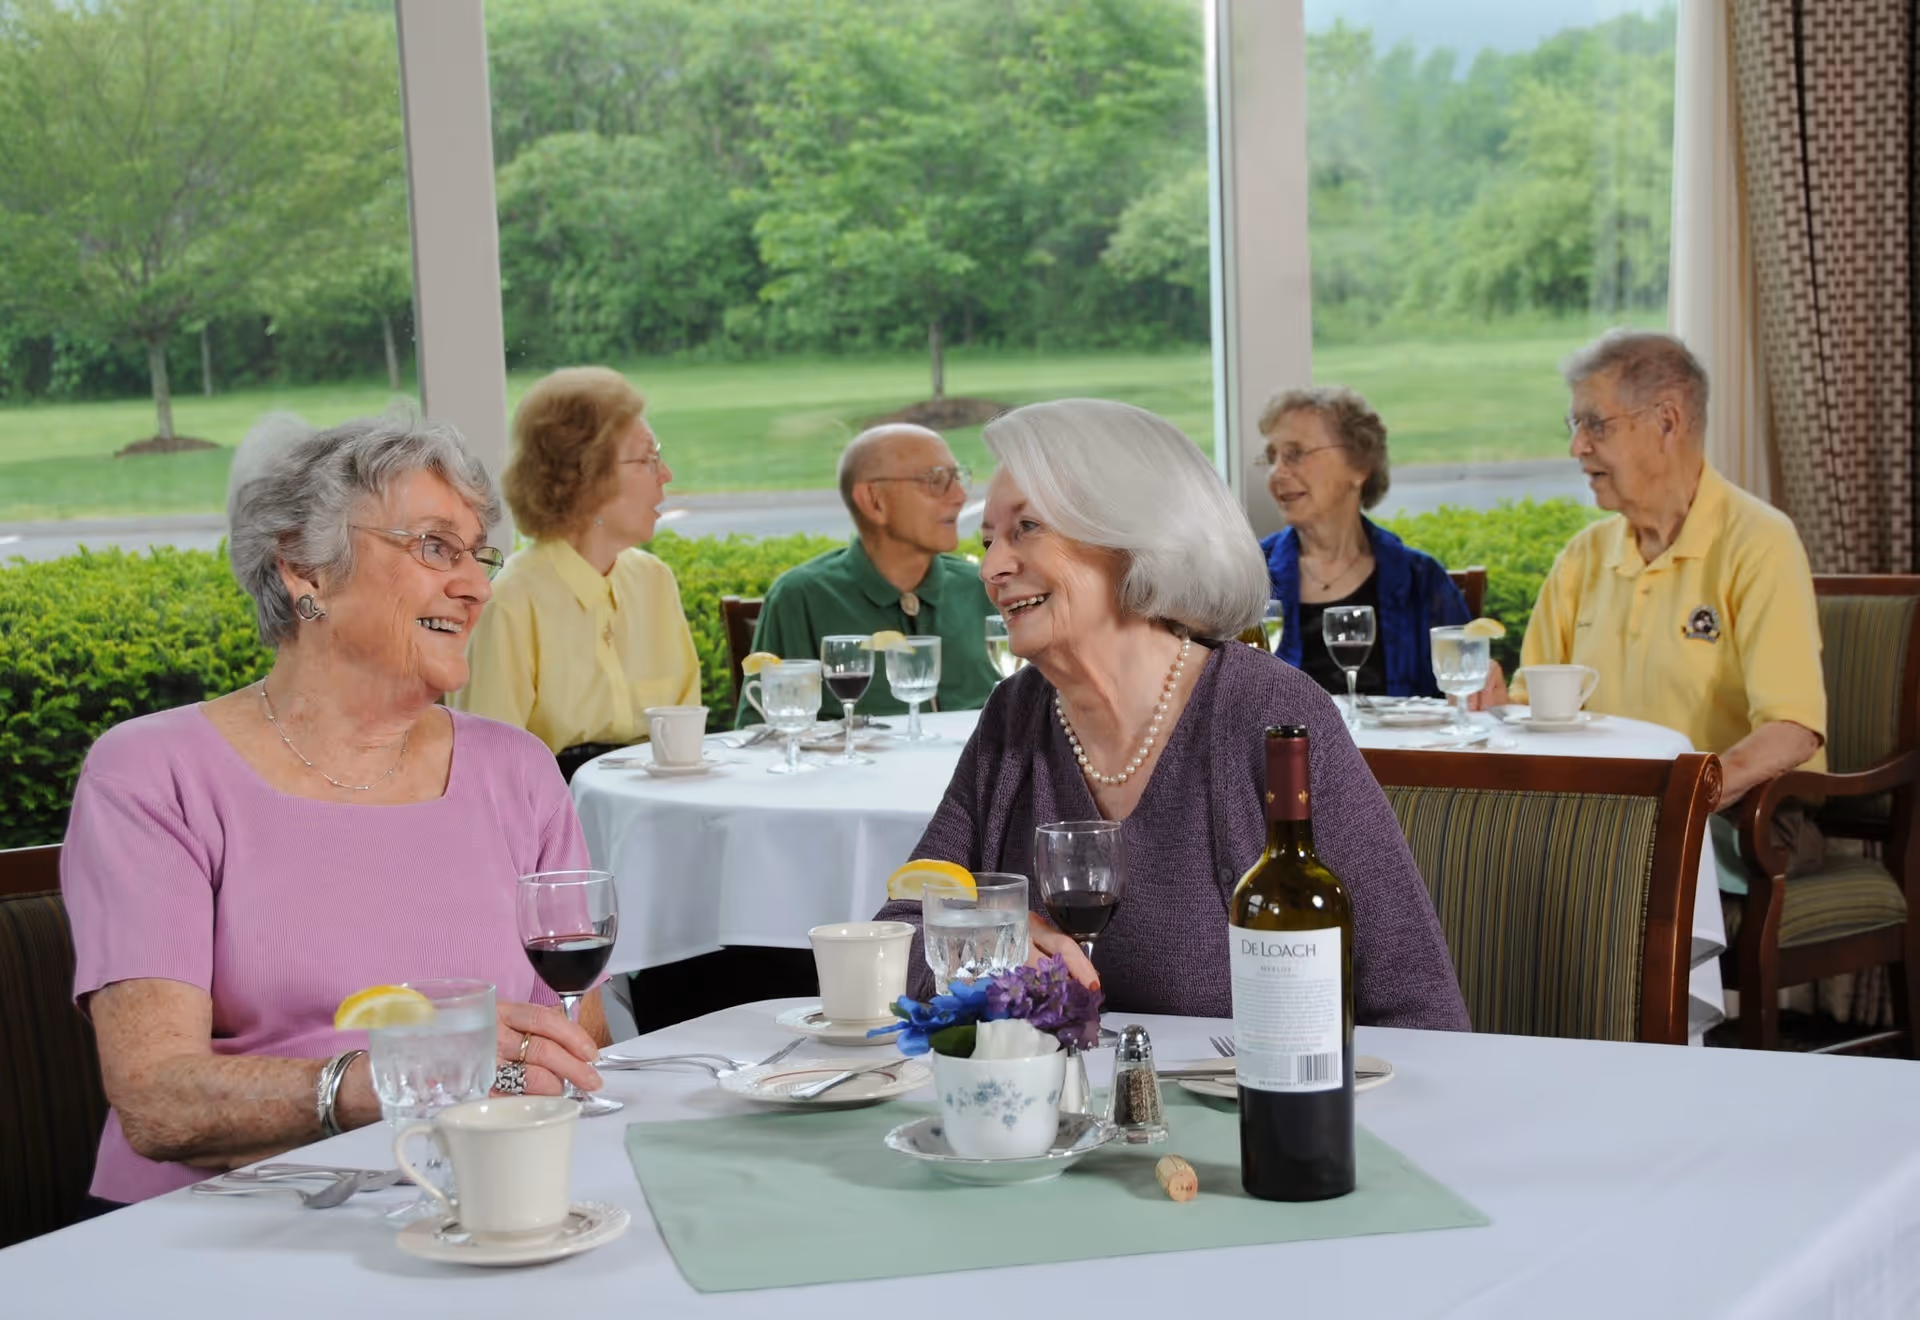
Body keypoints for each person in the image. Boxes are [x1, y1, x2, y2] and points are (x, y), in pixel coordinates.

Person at [61, 413, 612, 1207]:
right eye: (433, 547)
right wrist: (388, 1079)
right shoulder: (152, 773)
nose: (476, 584)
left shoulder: (516, 769)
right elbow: (156, 1098)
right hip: (225, 1223)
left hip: (480, 1195)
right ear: (303, 570)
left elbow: (578, 1037)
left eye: (476, 553)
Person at [874, 399, 1469, 1028]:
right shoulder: (1015, 715)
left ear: (1131, 538)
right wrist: (987, 945)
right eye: (989, 539)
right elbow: (899, 931)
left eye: (1027, 528)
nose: (992, 568)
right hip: (1055, 1118)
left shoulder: (1266, 712)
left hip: (1247, 1116)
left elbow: (1416, 1000)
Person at [1484, 331, 1827, 817]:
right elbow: (1533, 707)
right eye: (1574, 424)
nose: (1576, 446)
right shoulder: (1584, 556)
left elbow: (1792, 730)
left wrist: (1681, 805)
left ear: (1667, 422)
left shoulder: (1759, 541)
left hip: (1740, 819)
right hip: (1610, 815)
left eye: (1595, 424)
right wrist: (1499, 705)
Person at [454, 367, 700, 782]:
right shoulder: (512, 602)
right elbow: (487, 770)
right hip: (554, 825)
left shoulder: (654, 581)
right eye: (647, 459)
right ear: (587, 477)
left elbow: (686, 739)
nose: (666, 474)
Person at [738, 422, 1000, 724]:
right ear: (873, 501)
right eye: (936, 480)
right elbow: (762, 731)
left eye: (958, 478)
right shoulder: (802, 597)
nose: (959, 496)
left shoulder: (983, 587)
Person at [1257, 387, 1470, 698]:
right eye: (1271, 457)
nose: (1277, 473)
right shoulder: (1249, 579)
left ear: (1359, 466)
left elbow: (1465, 698)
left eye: (1295, 454)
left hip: (1397, 748)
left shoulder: (1420, 581)